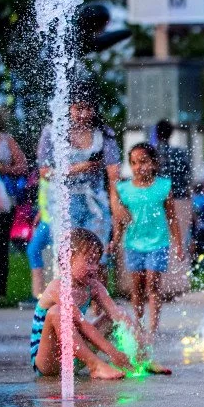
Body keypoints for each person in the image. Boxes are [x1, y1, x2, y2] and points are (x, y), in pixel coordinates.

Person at [31, 228, 172, 378]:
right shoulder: (57, 288)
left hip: (75, 356)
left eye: (97, 262)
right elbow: (82, 324)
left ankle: (141, 359)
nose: (94, 268)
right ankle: (95, 365)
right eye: (89, 261)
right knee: (57, 312)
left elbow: (117, 315)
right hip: (48, 363)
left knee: (119, 312)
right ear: (68, 259)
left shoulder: (93, 287)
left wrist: (134, 347)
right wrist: (113, 353)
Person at [36, 82, 129, 269]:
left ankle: (98, 297)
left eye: (89, 109)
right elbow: (45, 173)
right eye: (79, 109)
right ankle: (69, 298)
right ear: (68, 107)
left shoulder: (103, 134)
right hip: (63, 201)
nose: (84, 114)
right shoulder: (52, 133)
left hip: (95, 201)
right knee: (67, 255)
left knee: (97, 254)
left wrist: (116, 206)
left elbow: (113, 176)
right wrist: (81, 167)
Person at [112, 143, 183, 338]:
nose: (138, 167)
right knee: (137, 287)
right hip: (133, 244)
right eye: (134, 163)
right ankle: (139, 323)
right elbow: (120, 219)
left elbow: (171, 216)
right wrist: (115, 240)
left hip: (158, 243)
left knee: (153, 284)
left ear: (154, 163)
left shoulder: (163, 186)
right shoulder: (124, 189)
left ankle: (153, 326)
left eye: (143, 162)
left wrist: (178, 244)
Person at [0, 108, 27, 300]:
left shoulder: (6, 141)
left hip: (2, 204)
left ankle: (0, 292)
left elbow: (23, 166)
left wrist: (4, 169)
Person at [153, 120, 192, 254]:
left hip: (157, 201)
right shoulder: (180, 153)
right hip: (179, 198)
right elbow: (187, 176)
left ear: (156, 134)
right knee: (179, 237)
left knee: (158, 239)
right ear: (171, 134)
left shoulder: (151, 154)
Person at [26, 177, 54, 303]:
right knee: (35, 251)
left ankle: (39, 294)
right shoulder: (45, 173)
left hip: (51, 222)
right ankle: (40, 294)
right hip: (46, 219)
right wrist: (40, 214)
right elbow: (46, 200)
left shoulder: (50, 172)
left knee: (34, 250)